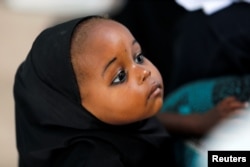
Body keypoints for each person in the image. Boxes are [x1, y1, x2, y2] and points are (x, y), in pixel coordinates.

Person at [13, 15, 178, 167]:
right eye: (120, 77)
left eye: (138, 57)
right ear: (74, 109)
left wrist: (197, 124)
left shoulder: (129, 119)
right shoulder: (94, 160)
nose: (144, 72)